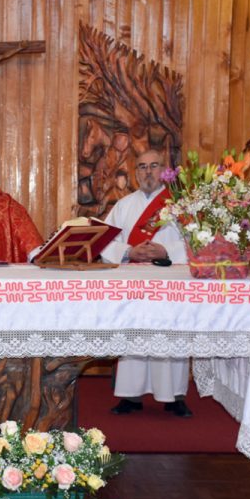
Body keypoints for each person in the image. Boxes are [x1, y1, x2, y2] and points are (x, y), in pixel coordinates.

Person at [99, 148, 192, 418]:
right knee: (134, 336)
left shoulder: (181, 205)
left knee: (171, 335)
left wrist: (166, 251)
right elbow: (105, 244)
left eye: (154, 166)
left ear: (165, 170)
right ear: (135, 172)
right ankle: (131, 395)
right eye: (142, 167)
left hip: (171, 283)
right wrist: (129, 252)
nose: (148, 171)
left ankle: (174, 396)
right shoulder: (124, 206)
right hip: (134, 283)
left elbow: (197, 242)